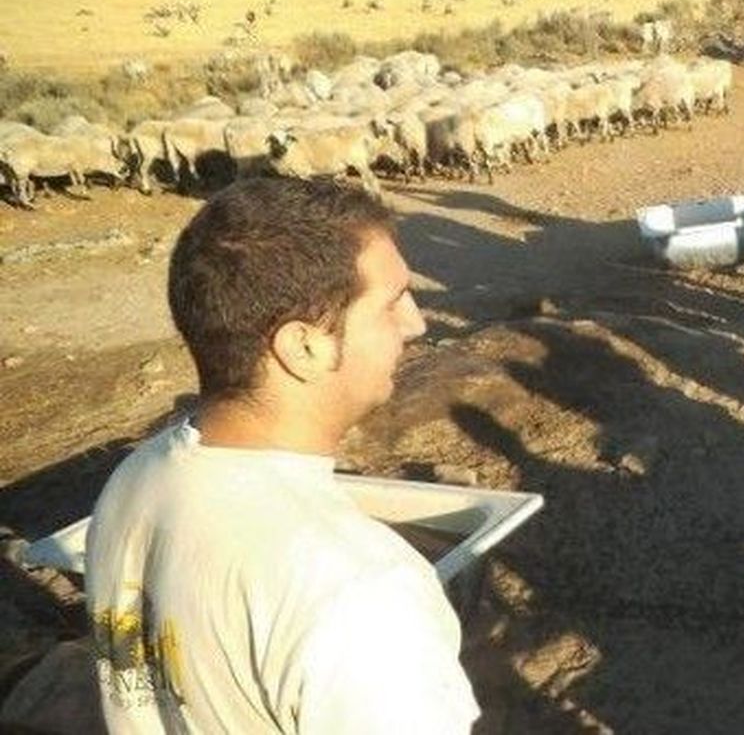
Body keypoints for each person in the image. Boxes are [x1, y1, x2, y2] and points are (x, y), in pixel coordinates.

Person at [85, 178, 480, 733]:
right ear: (304, 346)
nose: (417, 323)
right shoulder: (361, 593)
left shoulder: (136, 480)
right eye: (392, 303)